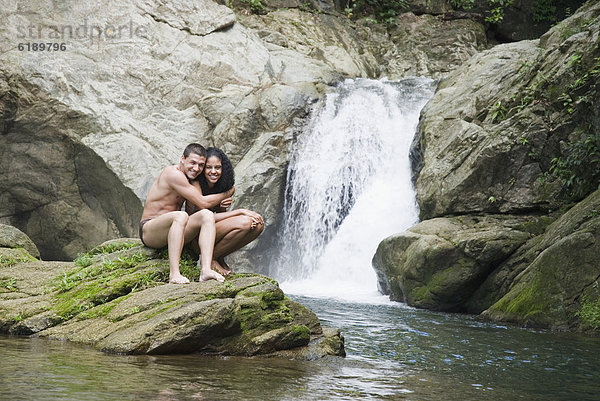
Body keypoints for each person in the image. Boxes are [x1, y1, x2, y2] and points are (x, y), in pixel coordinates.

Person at [139, 143, 234, 284]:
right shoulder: (173, 174)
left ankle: (206, 269)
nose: (196, 168)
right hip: (150, 230)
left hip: (173, 231)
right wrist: (228, 193)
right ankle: (174, 274)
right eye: (193, 163)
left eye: (201, 165)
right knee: (181, 215)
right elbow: (202, 201)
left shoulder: (191, 179)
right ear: (183, 158)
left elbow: (203, 207)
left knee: (206, 215)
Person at [186, 147, 264, 275]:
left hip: (212, 232)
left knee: (257, 225)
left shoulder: (222, 186)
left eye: (217, 167)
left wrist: (222, 207)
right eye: (208, 167)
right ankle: (211, 260)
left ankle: (217, 256)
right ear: (203, 168)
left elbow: (220, 217)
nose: (213, 171)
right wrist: (240, 211)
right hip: (195, 237)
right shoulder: (195, 184)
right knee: (245, 222)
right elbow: (205, 218)